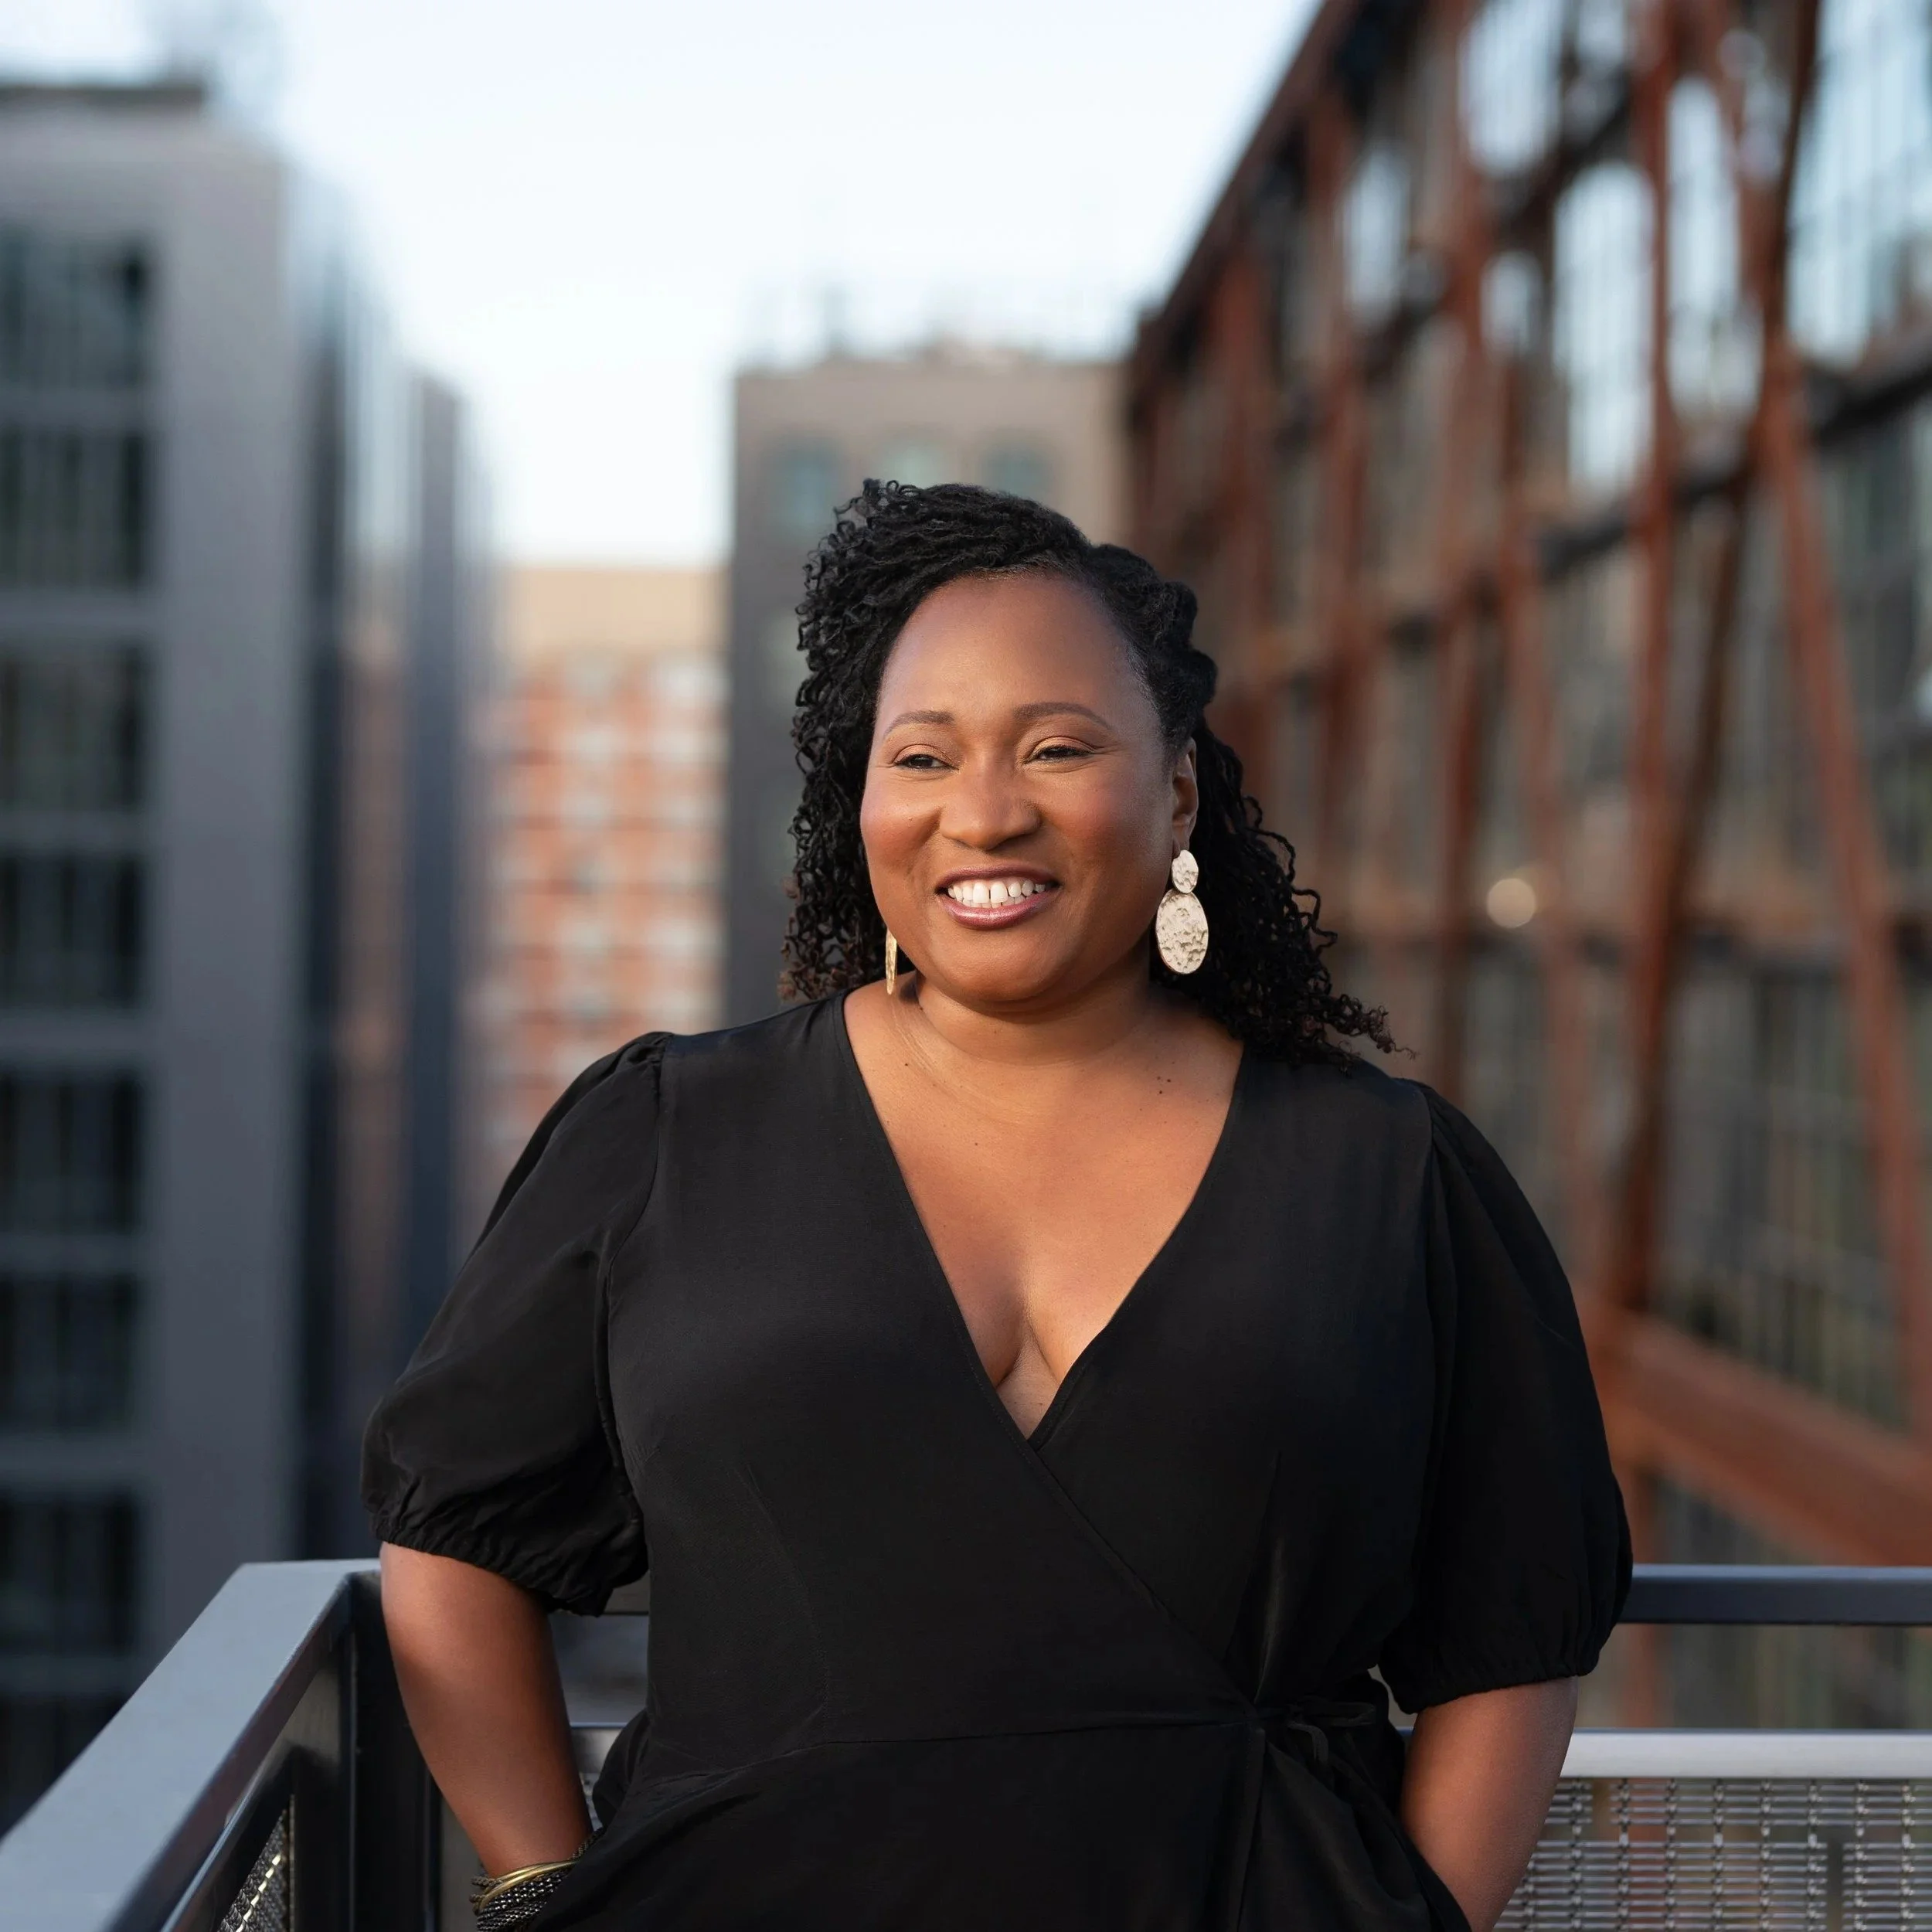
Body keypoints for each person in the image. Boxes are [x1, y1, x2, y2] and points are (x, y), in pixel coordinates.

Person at [363, 481, 1629, 1932]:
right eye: (924, 755)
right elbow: (455, 1537)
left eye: (1057, 746)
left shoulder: (1389, 1172)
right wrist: (539, 1895)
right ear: (864, 803)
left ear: (1174, 797)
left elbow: (1514, 1623)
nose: (985, 811)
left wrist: (1410, 1919)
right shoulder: (663, 1134)